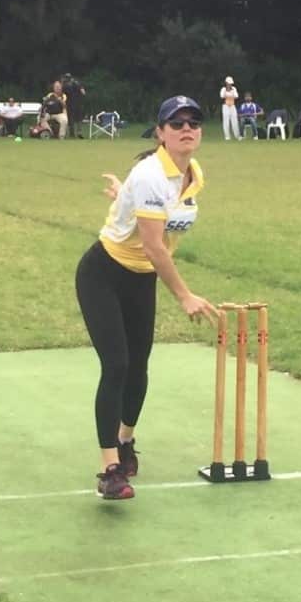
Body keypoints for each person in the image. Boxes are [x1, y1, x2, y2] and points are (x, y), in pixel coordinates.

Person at [75, 95, 219, 501]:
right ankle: (110, 471)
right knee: (116, 364)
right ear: (160, 133)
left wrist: (126, 197)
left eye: (194, 122)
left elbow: (160, 218)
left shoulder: (192, 174)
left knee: (139, 367)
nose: (187, 128)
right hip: (103, 273)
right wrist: (184, 296)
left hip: (140, 281)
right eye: (177, 124)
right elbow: (156, 248)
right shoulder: (151, 174)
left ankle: (125, 440)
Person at [61, 72, 87, 139]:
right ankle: (79, 132)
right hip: (78, 103)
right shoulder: (77, 83)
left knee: (70, 119)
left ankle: (72, 134)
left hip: (69, 104)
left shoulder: (64, 85)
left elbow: (62, 95)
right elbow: (83, 92)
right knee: (79, 119)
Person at [220, 76, 238, 141]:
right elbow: (222, 96)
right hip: (225, 106)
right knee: (226, 121)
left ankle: (237, 135)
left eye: (230, 83)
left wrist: (229, 95)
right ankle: (227, 136)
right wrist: (229, 95)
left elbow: (236, 96)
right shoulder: (223, 89)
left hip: (232, 105)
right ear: (226, 83)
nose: (229, 85)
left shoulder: (234, 89)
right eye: (228, 83)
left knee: (234, 120)